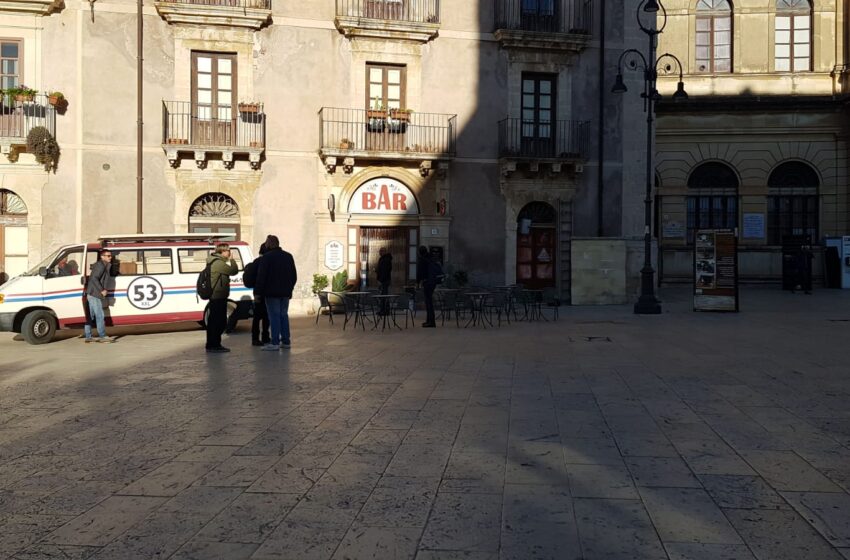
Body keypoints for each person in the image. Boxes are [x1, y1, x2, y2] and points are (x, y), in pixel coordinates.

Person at [256, 235, 298, 351]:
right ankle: (286, 341)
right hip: (285, 293)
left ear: (269, 244)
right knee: (283, 315)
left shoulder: (266, 257)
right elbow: (294, 276)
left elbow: (261, 277)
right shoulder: (288, 256)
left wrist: (258, 293)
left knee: (274, 316)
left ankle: (274, 342)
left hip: (271, 293)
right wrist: (289, 289)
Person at [206, 243, 239, 353]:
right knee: (219, 321)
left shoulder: (215, 261)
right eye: (228, 250)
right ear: (223, 251)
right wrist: (232, 260)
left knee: (213, 321)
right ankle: (215, 344)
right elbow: (233, 271)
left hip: (217, 296)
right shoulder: (218, 263)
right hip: (218, 296)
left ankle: (212, 344)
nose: (229, 252)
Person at [84, 249, 115, 343]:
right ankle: (102, 336)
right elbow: (94, 278)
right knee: (100, 315)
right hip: (95, 294)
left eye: (110, 255)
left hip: (93, 293)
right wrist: (102, 290)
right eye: (108, 256)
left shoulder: (103, 265)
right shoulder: (100, 265)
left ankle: (88, 336)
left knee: (91, 316)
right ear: (102, 256)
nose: (110, 257)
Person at [248, 243, 270, 346]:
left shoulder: (255, 262)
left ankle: (255, 338)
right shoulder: (266, 262)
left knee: (257, 317)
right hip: (264, 292)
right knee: (266, 316)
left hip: (257, 291)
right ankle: (265, 336)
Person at [416, 245, 437, 328]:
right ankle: (430, 321)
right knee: (429, 302)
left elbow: (420, 272)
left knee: (428, 302)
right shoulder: (431, 258)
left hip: (427, 282)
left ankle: (431, 322)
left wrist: (417, 282)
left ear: (420, 252)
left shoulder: (422, 260)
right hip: (433, 282)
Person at [376, 247, 392, 315]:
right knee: (383, 295)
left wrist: (380, 280)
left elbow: (385, 271)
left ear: (384, 252)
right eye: (379, 251)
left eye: (381, 251)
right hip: (384, 280)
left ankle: (385, 310)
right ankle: (383, 310)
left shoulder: (386, 260)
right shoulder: (383, 259)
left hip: (384, 280)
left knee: (384, 296)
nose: (379, 252)